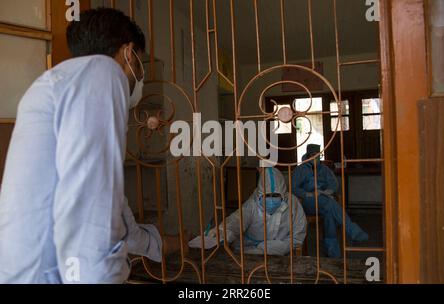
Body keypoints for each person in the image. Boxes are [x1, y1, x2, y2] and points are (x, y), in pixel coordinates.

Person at [0, 8, 180, 284]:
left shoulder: (58, 82)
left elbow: (112, 208)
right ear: (128, 52)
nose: (138, 77)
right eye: (140, 65)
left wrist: (164, 244)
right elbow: (89, 201)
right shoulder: (104, 74)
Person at [292, 144, 369, 258]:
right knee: (330, 203)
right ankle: (351, 229)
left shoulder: (324, 169)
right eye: (314, 155)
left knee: (329, 215)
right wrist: (308, 194)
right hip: (308, 201)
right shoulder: (300, 169)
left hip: (324, 200)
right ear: (308, 155)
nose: (316, 158)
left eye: (319, 156)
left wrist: (328, 190)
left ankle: (333, 253)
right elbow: (294, 188)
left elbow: (334, 183)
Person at [209, 167, 307, 256]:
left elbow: (298, 233)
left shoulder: (292, 203)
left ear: (283, 194)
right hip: (249, 251)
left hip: (281, 251)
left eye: (276, 195)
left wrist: (277, 247)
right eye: (267, 196)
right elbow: (237, 220)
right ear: (260, 193)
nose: (271, 199)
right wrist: (222, 233)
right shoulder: (252, 204)